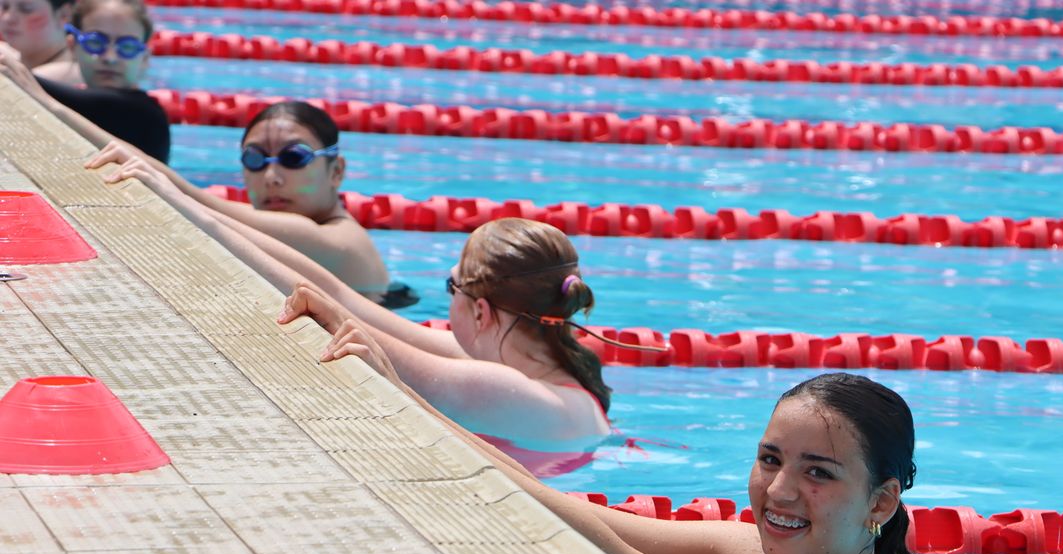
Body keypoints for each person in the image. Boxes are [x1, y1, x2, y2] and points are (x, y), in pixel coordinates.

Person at [311, 361, 920, 554]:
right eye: (770, 460)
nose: (779, 491)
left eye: (819, 473)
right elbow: (548, 503)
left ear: (880, 501)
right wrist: (397, 396)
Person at [278, 218, 628, 471]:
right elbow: (344, 299)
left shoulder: (501, 389)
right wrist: (236, 228)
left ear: (480, 312)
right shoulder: (535, 372)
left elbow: (347, 318)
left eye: (452, 287)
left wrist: (327, 312)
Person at [87, 100, 405, 304]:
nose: (271, 176)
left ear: (336, 171)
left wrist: (59, 110)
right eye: (255, 159)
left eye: (294, 158)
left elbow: (196, 202)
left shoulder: (339, 243)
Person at [0, 0, 168, 161]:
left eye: (127, 47)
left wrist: (17, 74)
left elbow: (91, 102)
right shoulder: (78, 99)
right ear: (73, 46)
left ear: (144, 58)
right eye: (95, 43)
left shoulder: (147, 114)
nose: (110, 58)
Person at [0, 0, 79, 82]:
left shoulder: (67, 75)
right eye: (5, 7)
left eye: (26, 9)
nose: (8, 18)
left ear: (64, 14)